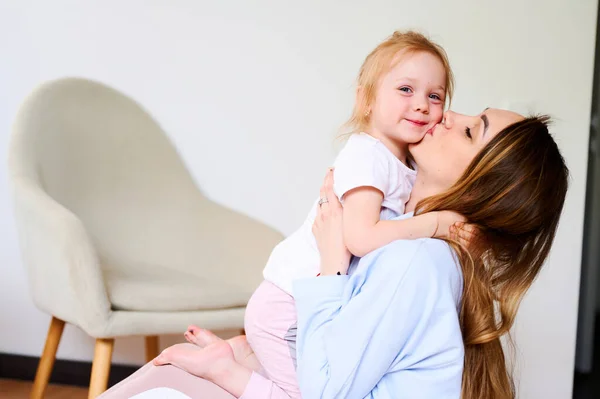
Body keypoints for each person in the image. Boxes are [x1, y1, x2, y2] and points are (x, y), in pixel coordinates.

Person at [99, 108, 569, 399]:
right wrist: (236, 362)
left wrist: (330, 264)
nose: (449, 115)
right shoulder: (414, 249)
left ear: (487, 189)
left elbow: (324, 393)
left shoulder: (416, 263)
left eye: (471, 132)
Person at [184, 30, 461, 398]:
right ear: (366, 100)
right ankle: (224, 370)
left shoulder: (404, 163)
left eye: (434, 96)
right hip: (289, 305)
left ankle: (238, 352)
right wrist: (435, 224)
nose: (422, 105)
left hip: (303, 305)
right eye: (406, 90)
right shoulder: (368, 156)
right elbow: (361, 238)